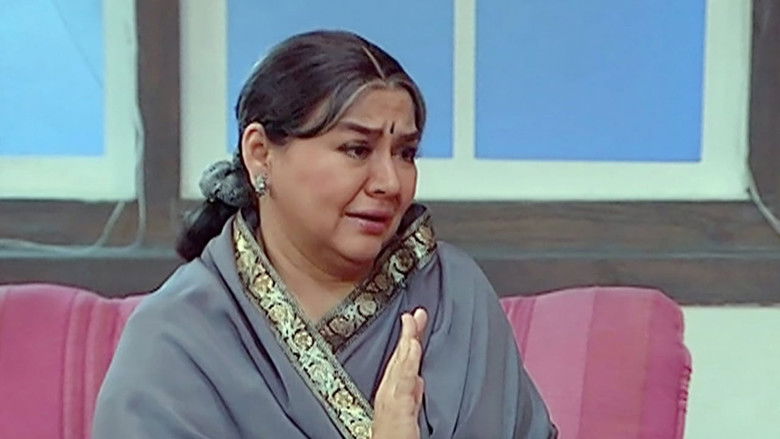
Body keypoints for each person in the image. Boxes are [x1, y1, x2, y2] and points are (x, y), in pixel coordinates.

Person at [93, 30, 557, 439]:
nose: (389, 182)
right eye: (357, 149)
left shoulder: (454, 296)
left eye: (405, 153)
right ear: (261, 154)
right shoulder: (177, 340)